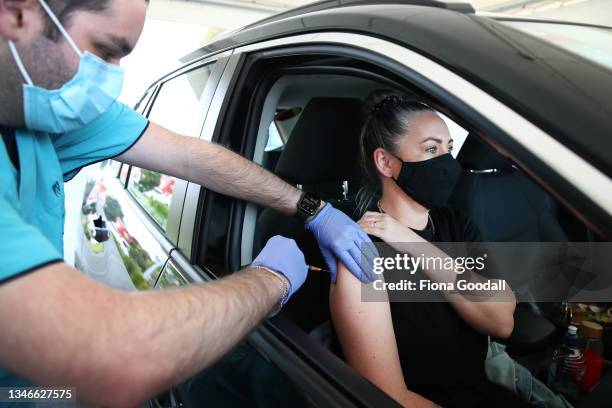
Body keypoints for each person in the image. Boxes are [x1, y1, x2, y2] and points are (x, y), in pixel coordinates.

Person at [0, 1, 375, 407]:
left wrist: (310, 209)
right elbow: (112, 357)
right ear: (15, 12)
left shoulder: (38, 113)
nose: (111, 78)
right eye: (105, 51)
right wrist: (272, 279)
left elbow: (190, 157)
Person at [329, 91, 526, 408]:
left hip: (482, 393)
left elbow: (501, 320)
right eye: (431, 149)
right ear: (385, 162)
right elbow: (389, 397)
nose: (447, 163)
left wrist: (413, 243)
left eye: (448, 149)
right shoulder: (361, 250)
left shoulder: (455, 223)